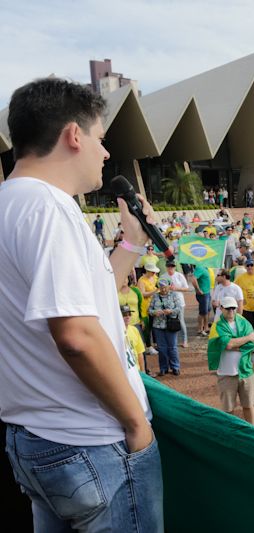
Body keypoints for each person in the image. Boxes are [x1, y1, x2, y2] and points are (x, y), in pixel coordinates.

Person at [0, 78, 162, 530]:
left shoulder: (11, 204)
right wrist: (135, 423)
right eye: (101, 139)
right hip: (91, 440)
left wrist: (131, 242)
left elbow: (79, 302)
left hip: (35, 437)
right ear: (74, 135)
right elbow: (75, 335)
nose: (105, 154)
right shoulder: (50, 208)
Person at [207, 297, 254, 424]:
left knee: (249, 405)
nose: (231, 311)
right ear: (221, 308)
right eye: (228, 308)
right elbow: (228, 344)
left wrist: (234, 344)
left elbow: (252, 345)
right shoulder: (217, 325)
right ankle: (231, 435)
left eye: (233, 308)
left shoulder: (244, 321)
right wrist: (247, 338)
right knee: (228, 409)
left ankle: (253, 431)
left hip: (245, 371)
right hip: (226, 373)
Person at [150, 278, 181, 376]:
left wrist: (171, 311)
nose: (163, 289)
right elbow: (149, 310)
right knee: (162, 348)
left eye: (165, 287)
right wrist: (155, 312)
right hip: (158, 326)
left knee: (172, 347)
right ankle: (163, 368)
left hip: (171, 324)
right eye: (161, 287)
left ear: (168, 286)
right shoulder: (155, 296)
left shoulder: (174, 295)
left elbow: (179, 308)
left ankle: (175, 367)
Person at [165, 260, 192, 348]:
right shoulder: (163, 276)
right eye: (169, 267)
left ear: (175, 267)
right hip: (167, 302)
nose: (170, 269)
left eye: (172, 267)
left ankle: (185, 340)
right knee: (169, 321)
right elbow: (160, 288)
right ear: (166, 267)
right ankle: (172, 340)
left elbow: (186, 288)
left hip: (179, 301)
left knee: (180, 321)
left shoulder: (179, 276)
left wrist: (176, 288)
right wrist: (167, 289)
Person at [122, 305, 146, 372]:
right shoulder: (114, 332)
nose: (127, 317)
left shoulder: (134, 330)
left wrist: (143, 371)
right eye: (124, 315)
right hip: (124, 372)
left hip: (136, 371)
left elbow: (140, 353)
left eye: (129, 314)